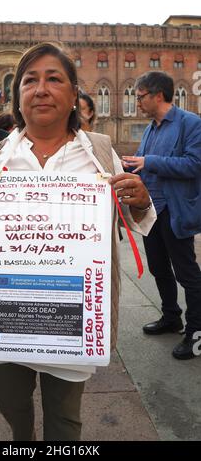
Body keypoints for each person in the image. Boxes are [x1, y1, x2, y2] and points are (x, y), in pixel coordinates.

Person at [0, 43, 156, 441]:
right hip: (7, 310)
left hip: (72, 312)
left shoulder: (99, 151)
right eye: (30, 80)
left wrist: (141, 200)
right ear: (18, 95)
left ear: (74, 94)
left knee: (65, 416)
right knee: (12, 403)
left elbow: (132, 216)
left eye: (54, 79)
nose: (40, 89)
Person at [122, 71, 201, 360]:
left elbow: (194, 164)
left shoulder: (190, 124)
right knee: (158, 267)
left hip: (175, 210)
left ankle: (196, 332)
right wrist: (127, 165)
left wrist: (149, 161)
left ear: (158, 95)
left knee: (187, 273)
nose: (137, 101)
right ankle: (172, 317)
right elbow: (146, 166)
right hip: (151, 211)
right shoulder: (150, 129)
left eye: (140, 96)